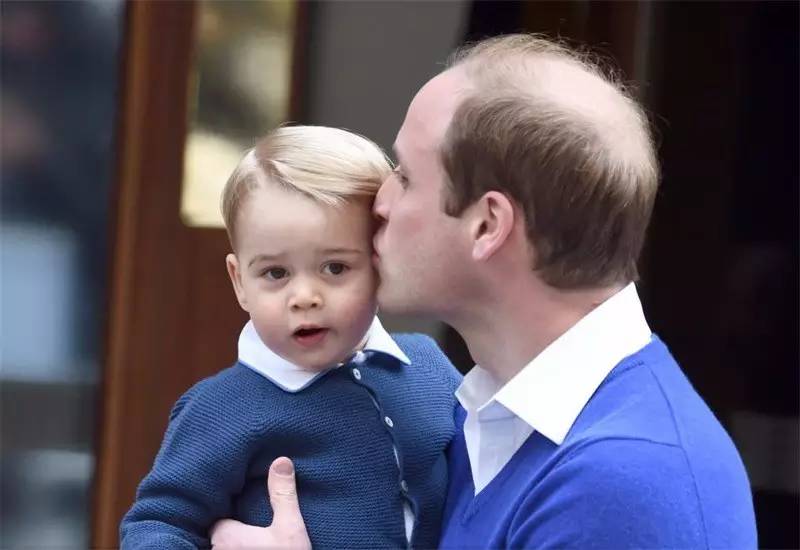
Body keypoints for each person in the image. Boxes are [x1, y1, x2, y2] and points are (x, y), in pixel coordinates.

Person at [212, 34, 758, 548]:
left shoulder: (626, 485)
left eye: (406, 177)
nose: (379, 202)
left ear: (487, 225)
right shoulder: (478, 417)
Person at [120, 126, 462, 549]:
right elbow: (158, 524)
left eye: (335, 268)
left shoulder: (428, 367)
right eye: (275, 273)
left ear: (380, 261)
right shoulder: (220, 408)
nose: (304, 297)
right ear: (240, 282)